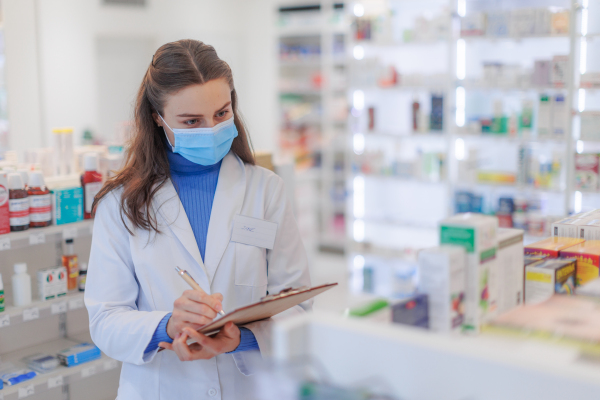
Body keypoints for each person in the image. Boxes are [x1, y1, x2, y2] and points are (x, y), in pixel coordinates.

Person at [84, 39, 311, 400]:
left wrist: (240, 338)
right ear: (158, 120)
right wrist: (167, 326)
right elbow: (106, 319)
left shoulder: (266, 190)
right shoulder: (120, 203)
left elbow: (298, 304)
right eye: (191, 121)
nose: (211, 129)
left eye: (222, 114)